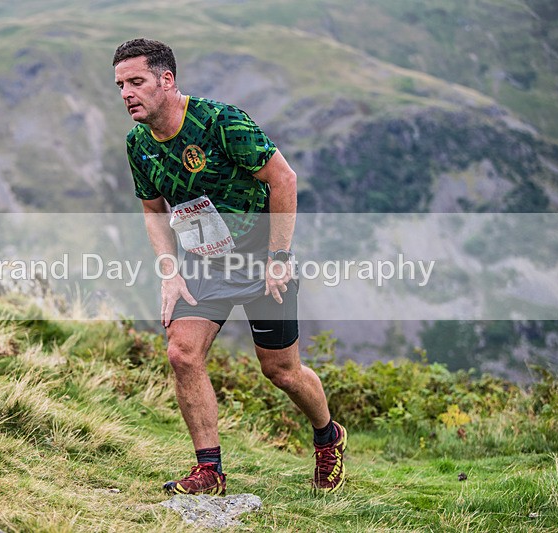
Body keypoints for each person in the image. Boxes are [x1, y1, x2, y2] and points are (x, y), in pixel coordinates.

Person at [113, 38, 346, 495]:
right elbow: (153, 210)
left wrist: (279, 258)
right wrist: (169, 272)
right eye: (120, 85)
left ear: (167, 79)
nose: (126, 94)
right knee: (182, 352)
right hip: (203, 263)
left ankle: (327, 436)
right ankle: (210, 471)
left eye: (136, 82)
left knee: (281, 371)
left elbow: (284, 179)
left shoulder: (222, 122)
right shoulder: (138, 143)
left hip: (261, 258)